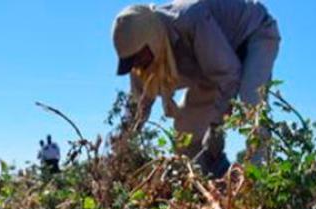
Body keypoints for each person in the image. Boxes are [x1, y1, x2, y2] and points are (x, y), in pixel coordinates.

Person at [112, 0, 281, 178]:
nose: (137, 63)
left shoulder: (189, 18)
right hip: (210, 66)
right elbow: (140, 105)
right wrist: (124, 148)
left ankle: (258, 185)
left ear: (151, 38)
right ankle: (209, 180)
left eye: (138, 57)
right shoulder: (140, 63)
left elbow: (228, 75)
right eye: (132, 61)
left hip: (251, 35)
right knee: (185, 130)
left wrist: (216, 128)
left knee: (251, 103)